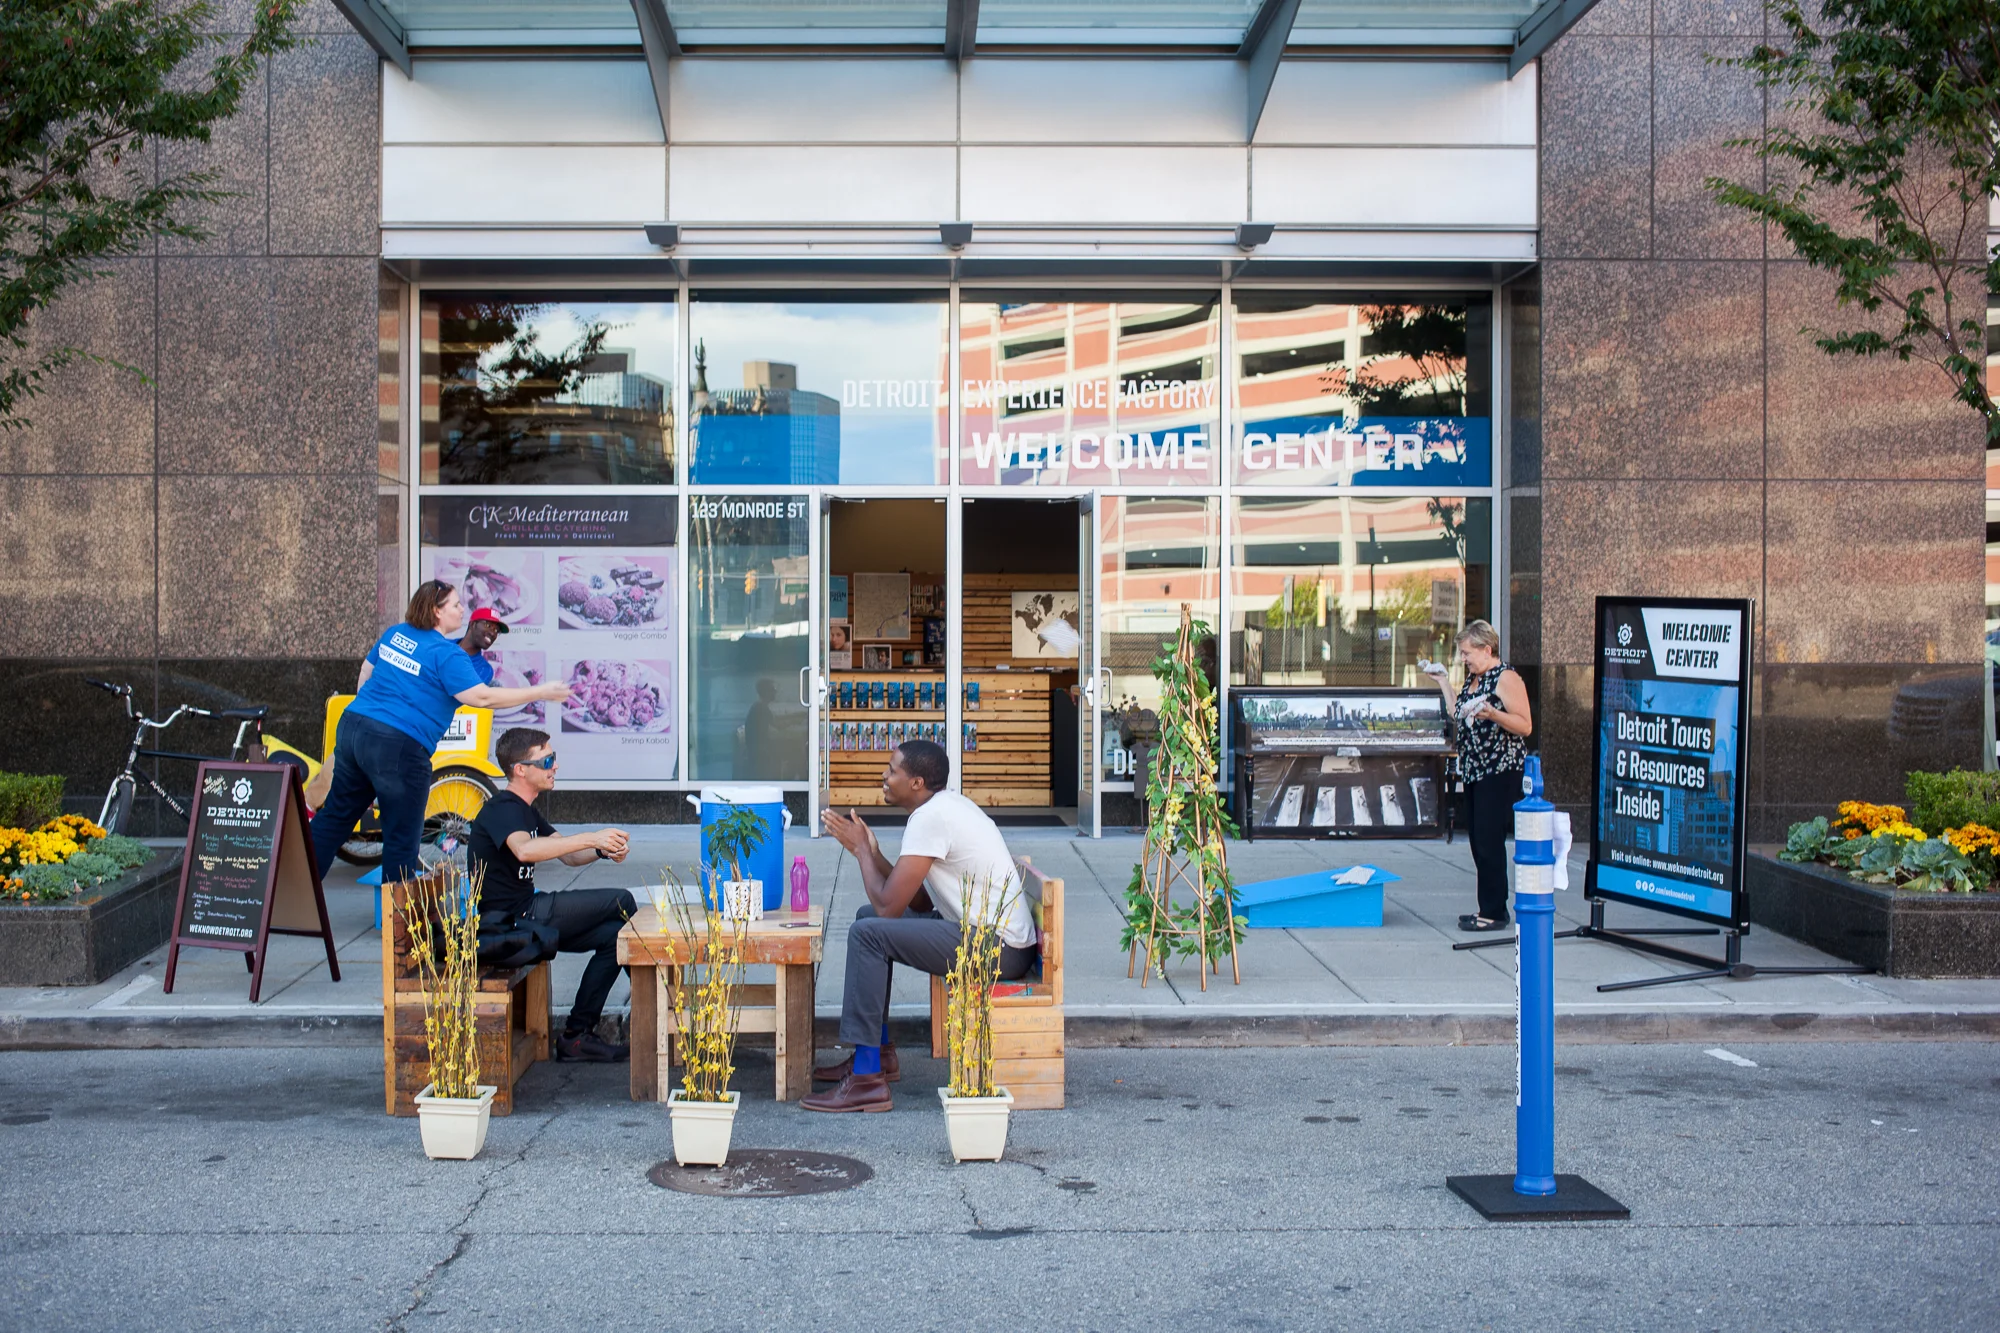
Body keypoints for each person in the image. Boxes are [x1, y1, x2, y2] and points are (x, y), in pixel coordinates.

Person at [803, 738, 1040, 1113]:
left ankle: (866, 1081)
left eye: (893, 770)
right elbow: (918, 902)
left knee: (868, 932)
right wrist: (875, 854)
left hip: (997, 948)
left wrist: (862, 851)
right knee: (866, 921)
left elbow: (887, 910)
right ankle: (875, 1055)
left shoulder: (931, 818)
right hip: (985, 937)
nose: (885, 776)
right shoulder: (940, 809)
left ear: (916, 783)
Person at [311, 581, 568, 884]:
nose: (462, 609)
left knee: (335, 818)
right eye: (456, 604)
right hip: (398, 746)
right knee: (402, 836)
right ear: (436, 611)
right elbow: (482, 698)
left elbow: (366, 672)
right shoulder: (447, 655)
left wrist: (374, 712)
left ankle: (295, 901)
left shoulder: (397, 633)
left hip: (354, 728)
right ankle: (402, 925)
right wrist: (540, 691)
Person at [467, 727, 637, 1062]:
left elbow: (568, 855)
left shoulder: (526, 810)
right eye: (546, 759)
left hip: (527, 914)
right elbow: (526, 850)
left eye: (553, 758)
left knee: (616, 937)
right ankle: (661, 1008)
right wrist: (592, 837)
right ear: (520, 769)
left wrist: (602, 850)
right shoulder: (502, 807)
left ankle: (576, 1036)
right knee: (622, 902)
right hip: (509, 922)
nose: (554, 766)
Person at [1424, 619, 1532, 932]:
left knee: (1489, 840)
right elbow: (1458, 712)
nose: (1463, 659)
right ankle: (1487, 906)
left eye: (1467, 652)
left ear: (1487, 649)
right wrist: (1443, 681)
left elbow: (1525, 725)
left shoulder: (1505, 678)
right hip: (1474, 770)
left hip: (1498, 770)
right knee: (1477, 841)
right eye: (1461, 654)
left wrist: (1493, 714)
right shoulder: (1475, 678)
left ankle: (1495, 912)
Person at [459, 607, 508, 683]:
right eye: (488, 626)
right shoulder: (443, 646)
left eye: (496, 631)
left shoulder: (485, 670)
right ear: (473, 624)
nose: (492, 633)